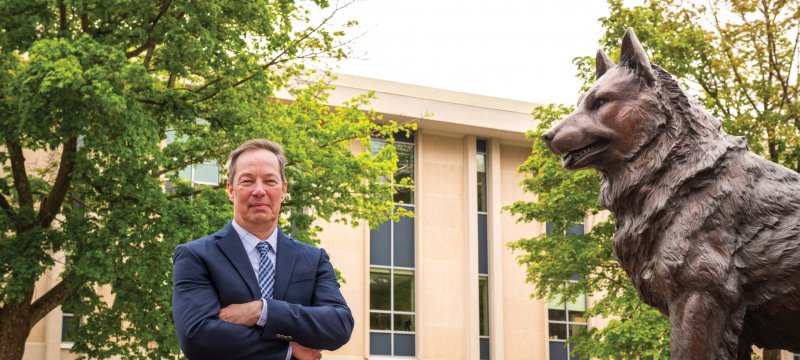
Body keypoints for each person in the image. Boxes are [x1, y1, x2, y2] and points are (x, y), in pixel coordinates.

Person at [172, 139, 354, 360]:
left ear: (283, 190)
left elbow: (339, 325)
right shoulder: (197, 256)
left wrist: (263, 311)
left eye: (270, 181)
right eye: (247, 181)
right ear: (230, 189)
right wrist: (289, 349)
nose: (259, 191)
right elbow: (197, 337)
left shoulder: (313, 259)